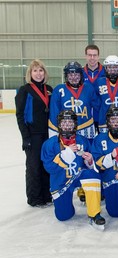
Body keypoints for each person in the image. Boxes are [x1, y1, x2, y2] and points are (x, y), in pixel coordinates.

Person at [41, 110, 106, 229]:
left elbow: (90, 166)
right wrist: (67, 153)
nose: (67, 125)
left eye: (70, 122)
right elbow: (49, 168)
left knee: (92, 175)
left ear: (75, 124)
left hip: (78, 176)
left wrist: (90, 160)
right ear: (59, 125)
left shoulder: (83, 140)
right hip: (61, 181)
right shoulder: (49, 144)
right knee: (64, 216)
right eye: (64, 123)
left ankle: (94, 214)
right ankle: (66, 206)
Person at [15, 59, 53, 207]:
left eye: (41, 70)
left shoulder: (49, 89)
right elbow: (20, 115)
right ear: (30, 73)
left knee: (46, 165)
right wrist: (25, 137)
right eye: (35, 71)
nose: (38, 73)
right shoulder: (25, 90)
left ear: (45, 72)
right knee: (34, 167)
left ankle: (46, 195)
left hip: (48, 134)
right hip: (33, 135)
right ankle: (34, 198)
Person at [91, 107, 118, 218]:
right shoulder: (99, 139)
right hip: (111, 177)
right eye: (113, 120)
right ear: (107, 122)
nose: (116, 123)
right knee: (115, 212)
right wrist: (111, 157)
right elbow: (98, 164)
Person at [48, 61, 100, 141]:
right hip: (66, 130)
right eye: (70, 75)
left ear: (81, 75)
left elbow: (99, 107)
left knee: (87, 152)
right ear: (66, 76)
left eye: (76, 74)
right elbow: (54, 112)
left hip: (86, 128)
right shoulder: (58, 90)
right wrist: (54, 134)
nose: (74, 77)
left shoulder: (88, 88)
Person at [96, 55, 118, 133]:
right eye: (110, 67)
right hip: (104, 122)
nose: (112, 70)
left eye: (115, 67)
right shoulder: (99, 82)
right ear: (105, 69)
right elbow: (95, 102)